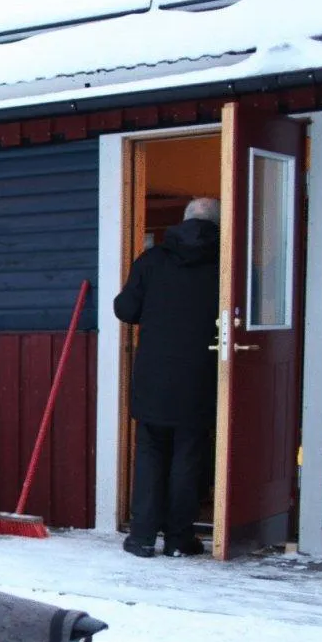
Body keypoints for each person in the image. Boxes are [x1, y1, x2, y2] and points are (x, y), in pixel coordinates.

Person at [113, 196, 221, 558]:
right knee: (188, 457)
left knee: (151, 453)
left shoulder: (153, 259)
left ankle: (142, 536)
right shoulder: (227, 264)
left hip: (155, 375)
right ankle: (179, 538)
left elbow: (126, 310)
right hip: (201, 376)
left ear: (184, 219)